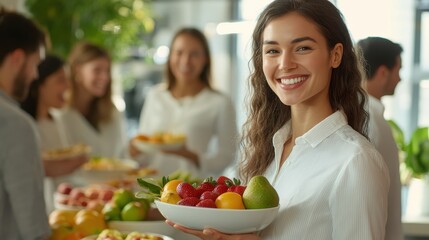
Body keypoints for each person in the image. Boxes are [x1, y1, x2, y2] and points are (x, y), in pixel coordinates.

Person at [167, 0, 389, 239]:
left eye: (302, 48)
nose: (285, 64)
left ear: (335, 55)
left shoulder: (355, 161)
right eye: (273, 51)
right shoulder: (270, 147)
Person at [132, 27, 238, 177]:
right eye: (179, 52)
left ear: (206, 58)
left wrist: (192, 156)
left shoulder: (220, 102)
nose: (185, 61)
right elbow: (145, 150)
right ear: (170, 57)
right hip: (151, 186)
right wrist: (135, 151)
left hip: (192, 191)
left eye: (194, 54)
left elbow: (228, 156)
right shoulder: (155, 95)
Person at [0, 8, 51, 239]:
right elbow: (34, 227)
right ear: (17, 58)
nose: (35, 76)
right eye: (35, 64)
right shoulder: (16, 124)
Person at [21, 54, 89, 213]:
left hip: (62, 208)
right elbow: (38, 168)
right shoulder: (25, 126)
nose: (68, 86)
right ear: (40, 85)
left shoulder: (57, 120)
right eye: (60, 80)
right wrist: (77, 161)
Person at [357, 36, 403, 240]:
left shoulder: (366, 116)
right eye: (398, 70)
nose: (400, 79)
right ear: (383, 72)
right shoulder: (371, 122)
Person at [58, 41, 127, 158]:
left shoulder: (112, 112)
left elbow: (122, 155)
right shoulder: (60, 115)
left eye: (107, 71)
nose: (105, 77)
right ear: (77, 70)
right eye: (97, 70)